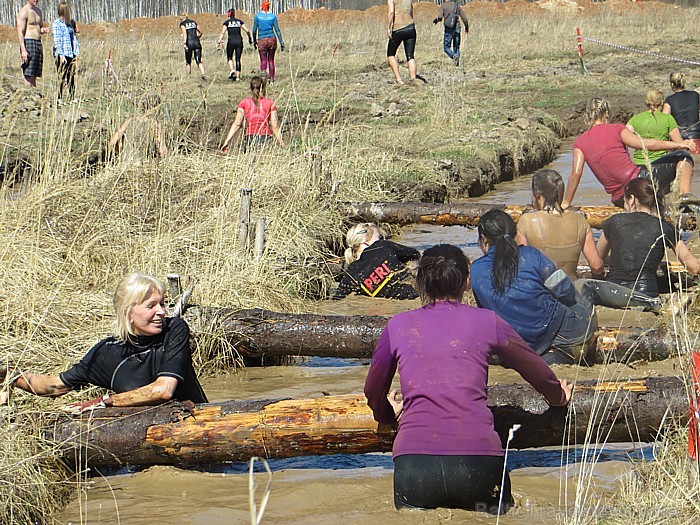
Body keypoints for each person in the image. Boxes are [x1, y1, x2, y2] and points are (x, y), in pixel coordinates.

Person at [364, 244, 572, 512]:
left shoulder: (397, 325)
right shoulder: (487, 321)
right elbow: (532, 366)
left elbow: (373, 388)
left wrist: (385, 414)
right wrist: (558, 396)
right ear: (465, 282)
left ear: (421, 283)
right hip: (478, 461)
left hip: (414, 465)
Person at [6, 273, 208, 413]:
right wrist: (13, 377)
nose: (162, 312)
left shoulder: (174, 330)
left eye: (162, 304)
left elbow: (163, 390)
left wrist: (105, 401)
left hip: (200, 424)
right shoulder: (106, 353)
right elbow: (54, 386)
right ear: (127, 312)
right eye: (151, 306)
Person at [471, 209, 598, 364]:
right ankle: (634, 299)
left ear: (484, 239)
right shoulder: (531, 255)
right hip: (562, 333)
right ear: (514, 233)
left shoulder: (476, 270)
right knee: (583, 287)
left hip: (515, 348)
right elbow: (566, 292)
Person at [562, 97, 696, 209]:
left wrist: (566, 202)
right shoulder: (617, 129)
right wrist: (679, 144)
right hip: (638, 183)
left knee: (660, 195)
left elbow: (576, 173)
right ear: (607, 113)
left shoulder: (580, 142)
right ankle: (685, 199)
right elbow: (645, 145)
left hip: (619, 198)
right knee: (683, 156)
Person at [597, 178, 700, 297]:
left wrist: (621, 259)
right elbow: (693, 267)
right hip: (646, 294)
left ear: (631, 200)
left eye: (624, 202)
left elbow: (598, 258)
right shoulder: (664, 227)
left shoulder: (614, 222)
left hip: (614, 293)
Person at [518, 169, 604, 280]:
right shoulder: (580, 220)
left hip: (539, 292)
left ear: (539, 197)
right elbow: (596, 266)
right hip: (570, 291)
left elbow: (521, 264)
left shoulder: (526, 221)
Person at [333, 223, 420, 300]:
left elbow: (338, 298)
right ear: (364, 238)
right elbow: (415, 254)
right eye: (378, 237)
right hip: (418, 293)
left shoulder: (351, 272)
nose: (380, 240)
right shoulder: (381, 245)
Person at [220, 76, 284, 152]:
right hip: (265, 137)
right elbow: (275, 126)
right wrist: (281, 143)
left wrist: (226, 142)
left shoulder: (244, 103)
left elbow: (237, 124)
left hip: (249, 138)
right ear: (263, 88)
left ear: (251, 88)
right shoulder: (270, 103)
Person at [109, 95, 167, 163]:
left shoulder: (129, 121)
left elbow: (112, 142)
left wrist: (119, 154)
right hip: (142, 165)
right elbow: (161, 149)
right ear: (156, 109)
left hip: (126, 162)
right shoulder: (154, 124)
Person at [51, 1, 79, 102]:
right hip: (61, 54)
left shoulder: (70, 23)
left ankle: (72, 97)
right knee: (62, 75)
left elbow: (73, 37)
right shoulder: (57, 24)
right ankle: (59, 98)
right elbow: (57, 41)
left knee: (71, 76)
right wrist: (61, 56)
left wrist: (75, 51)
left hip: (71, 52)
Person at [663, 72, 700, 148]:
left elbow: (664, 120)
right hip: (697, 135)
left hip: (679, 138)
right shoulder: (695, 95)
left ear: (672, 85)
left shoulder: (669, 100)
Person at [17, 0, 48, 87]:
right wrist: (23, 50)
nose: (36, 0)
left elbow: (40, 27)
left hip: (38, 43)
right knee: (29, 74)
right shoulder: (24, 11)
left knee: (35, 74)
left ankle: (34, 96)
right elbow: (20, 32)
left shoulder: (38, 11)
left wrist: (44, 30)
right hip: (29, 42)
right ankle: (27, 96)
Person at [252, 1, 284, 84]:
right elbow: (277, 30)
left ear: (262, 6)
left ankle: (263, 80)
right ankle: (272, 79)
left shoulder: (257, 17)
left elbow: (254, 30)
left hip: (262, 40)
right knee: (271, 60)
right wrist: (281, 42)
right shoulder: (273, 16)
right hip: (272, 39)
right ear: (269, 6)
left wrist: (254, 40)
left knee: (263, 61)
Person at [217, 8, 253, 81]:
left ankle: (232, 70)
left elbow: (222, 32)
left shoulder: (227, 22)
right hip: (239, 41)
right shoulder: (239, 22)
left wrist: (219, 40)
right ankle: (237, 77)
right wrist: (250, 38)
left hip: (231, 41)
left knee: (229, 57)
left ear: (229, 14)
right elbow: (247, 30)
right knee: (238, 59)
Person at [387, 0, 417, 84]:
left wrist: (389, 28)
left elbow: (391, 12)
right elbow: (411, 10)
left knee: (390, 54)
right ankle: (413, 79)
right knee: (410, 56)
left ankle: (399, 79)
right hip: (410, 27)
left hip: (398, 28)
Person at [432, 0, 468, 66]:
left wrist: (436, 20)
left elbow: (440, 17)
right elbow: (464, 18)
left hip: (449, 28)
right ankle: (456, 63)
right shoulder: (457, 6)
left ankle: (453, 56)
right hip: (457, 27)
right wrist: (466, 27)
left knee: (446, 47)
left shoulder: (443, 5)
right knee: (456, 46)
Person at [180, 15, 206, 79]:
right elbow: (201, 32)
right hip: (197, 42)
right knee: (198, 60)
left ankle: (188, 76)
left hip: (189, 43)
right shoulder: (194, 22)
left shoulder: (183, 24)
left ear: (181, 18)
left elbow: (185, 34)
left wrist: (184, 43)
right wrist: (197, 38)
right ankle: (203, 73)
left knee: (188, 61)